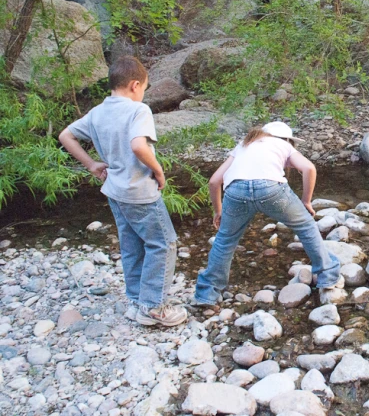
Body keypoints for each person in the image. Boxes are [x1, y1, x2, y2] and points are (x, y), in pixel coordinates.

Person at [59, 56, 187, 327]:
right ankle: (154, 308)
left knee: (131, 246)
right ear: (135, 85)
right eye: (144, 89)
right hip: (139, 191)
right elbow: (139, 146)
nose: (142, 95)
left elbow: (65, 136)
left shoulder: (97, 112)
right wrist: (159, 169)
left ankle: (136, 300)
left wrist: (92, 164)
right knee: (163, 244)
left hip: (114, 190)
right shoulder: (137, 111)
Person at [192, 121, 342, 309]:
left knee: (225, 240)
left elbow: (214, 182)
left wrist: (218, 211)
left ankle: (207, 293)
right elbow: (309, 169)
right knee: (305, 226)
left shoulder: (244, 144)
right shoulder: (284, 144)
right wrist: (306, 201)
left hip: (236, 191)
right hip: (271, 189)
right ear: (287, 139)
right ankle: (327, 275)